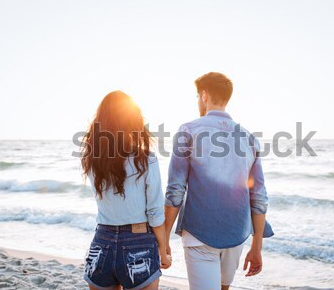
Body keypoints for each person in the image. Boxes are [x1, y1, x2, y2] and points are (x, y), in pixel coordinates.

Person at [164, 72, 274, 290]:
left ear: (204, 95)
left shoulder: (189, 130)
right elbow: (259, 198)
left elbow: (176, 190)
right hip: (237, 233)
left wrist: (163, 238)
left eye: (197, 96)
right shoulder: (249, 138)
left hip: (199, 234)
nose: (198, 101)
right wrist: (257, 247)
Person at [81, 91, 171, 290]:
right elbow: (155, 212)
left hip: (101, 242)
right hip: (138, 242)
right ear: (134, 121)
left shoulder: (92, 159)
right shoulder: (146, 158)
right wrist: (163, 249)